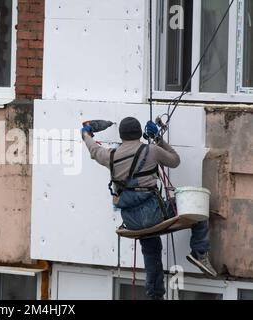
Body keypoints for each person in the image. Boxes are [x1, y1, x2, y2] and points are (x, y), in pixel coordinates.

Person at [82, 117, 217, 300]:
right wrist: (158, 138)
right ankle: (199, 253)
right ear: (139, 133)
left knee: (151, 248)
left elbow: (93, 148)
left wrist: (86, 133)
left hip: (131, 222)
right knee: (198, 209)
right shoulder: (151, 150)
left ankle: (155, 295)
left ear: (121, 136)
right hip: (154, 214)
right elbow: (175, 161)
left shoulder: (109, 156)